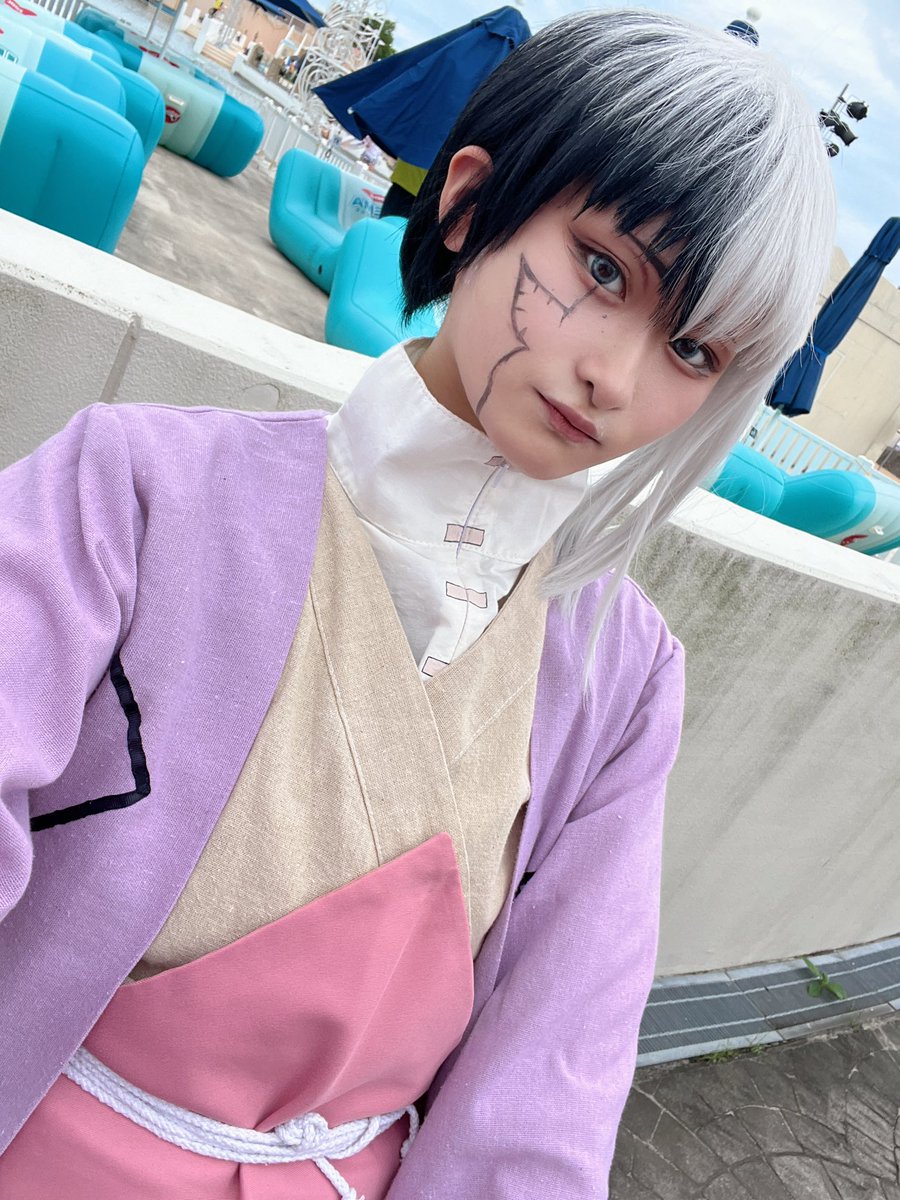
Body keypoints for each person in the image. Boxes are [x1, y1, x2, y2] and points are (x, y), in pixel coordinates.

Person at [0, 10, 833, 1199]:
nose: (618, 377)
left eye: (694, 352)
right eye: (604, 270)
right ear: (470, 201)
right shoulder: (137, 488)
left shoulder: (624, 679)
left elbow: (555, 1070)